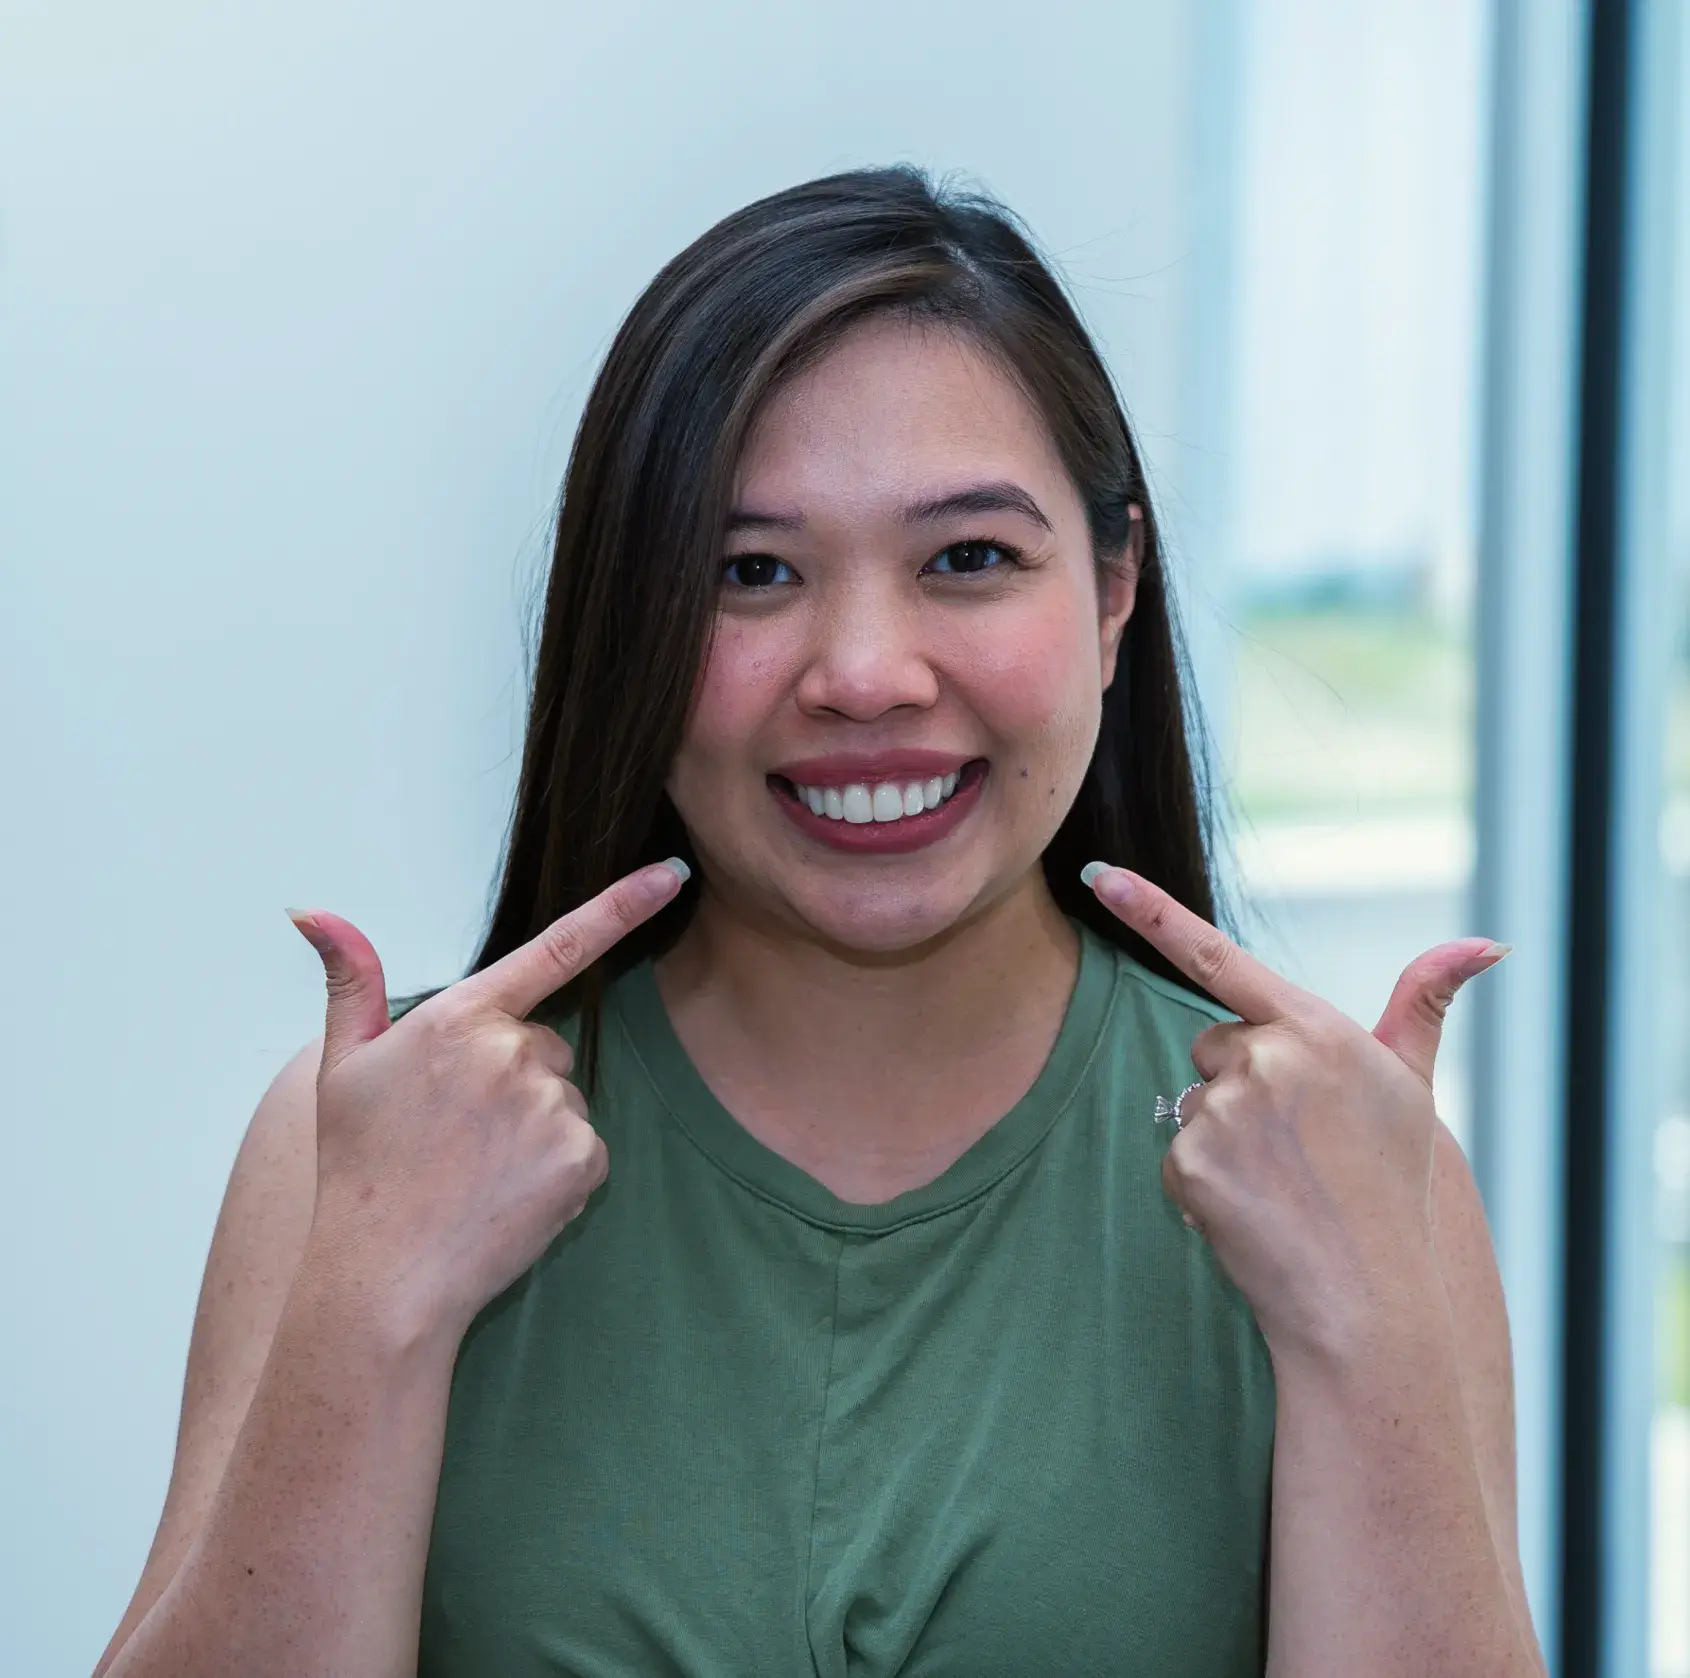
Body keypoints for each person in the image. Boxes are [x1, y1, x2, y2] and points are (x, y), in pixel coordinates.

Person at [93, 168, 1546, 1678]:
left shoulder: (1350, 1170)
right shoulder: (360, 1144)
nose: (864, 671)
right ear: (632, 618)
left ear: (1115, 588)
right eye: (751, 572)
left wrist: (1360, 1329)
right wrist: (372, 1308)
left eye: (968, 558)